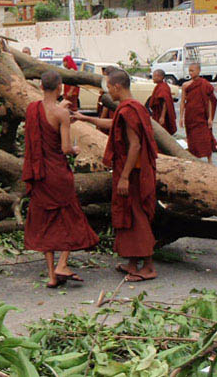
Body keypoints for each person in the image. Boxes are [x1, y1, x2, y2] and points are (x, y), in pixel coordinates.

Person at [75, 69, 158, 282]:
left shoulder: (130, 110)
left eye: (109, 87)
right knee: (127, 215)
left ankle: (148, 267)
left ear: (117, 87)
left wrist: (124, 177)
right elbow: (114, 126)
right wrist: (85, 118)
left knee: (137, 217)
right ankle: (132, 263)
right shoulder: (132, 107)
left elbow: (135, 145)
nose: (108, 92)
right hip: (131, 170)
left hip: (134, 173)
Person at [22, 70, 98, 288]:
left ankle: (52, 276)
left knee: (46, 222)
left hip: (39, 173)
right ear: (59, 88)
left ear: (42, 87)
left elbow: (42, 125)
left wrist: (60, 109)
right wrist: (75, 149)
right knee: (69, 218)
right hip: (57, 173)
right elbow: (65, 148)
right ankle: (62, 264)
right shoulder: (61, 115)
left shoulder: (32, 109)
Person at [179, 63, 216, 162]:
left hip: (202, 116)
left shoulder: (205, 84)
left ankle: (210, 160)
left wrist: (210, 118)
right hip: (190, 116)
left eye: (193, 70)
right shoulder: (185, 85)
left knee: (206, 137)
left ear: (199, 71)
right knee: (192, 138)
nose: (191, 73)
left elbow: (210, 102)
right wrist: (181, 117)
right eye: (189, 71)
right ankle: (194, 159)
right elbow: (182, 102)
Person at [146, 69, 177, 135]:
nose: (153, 78)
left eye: (154, 76)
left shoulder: (163, 87)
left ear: (159, 77)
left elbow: (165, 102)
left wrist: (162, 117)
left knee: (162, 132)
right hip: (158, 113)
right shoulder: (160, 86)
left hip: (162, 114)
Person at [96, 66, 119, 135]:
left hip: (108, 121)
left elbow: (105, 108)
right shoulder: (107, 86)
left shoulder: (112, 88)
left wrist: (99, 124)